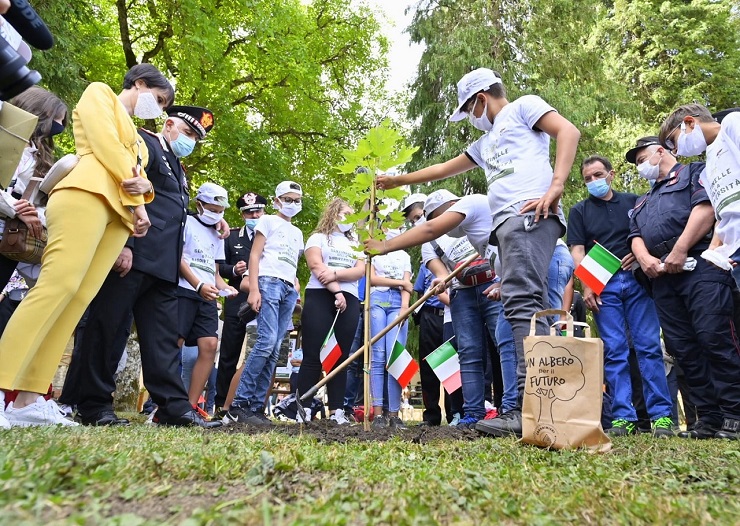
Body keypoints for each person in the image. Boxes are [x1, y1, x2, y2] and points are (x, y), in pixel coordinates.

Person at [377, 67, 580, 437]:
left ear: (481, 100)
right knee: (525, 308)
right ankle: (541, 408)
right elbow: (442, 168)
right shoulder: (485, 144)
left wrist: (556, 187)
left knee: (522, 307)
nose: (471, 119)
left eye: (469, 110)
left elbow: (568, 131)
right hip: (506, 229)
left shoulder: (523, 108)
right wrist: (399, 180)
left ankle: (523, 410)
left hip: (528, 214)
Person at [0, 64, 172, 427]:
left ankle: (29, 400)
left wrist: (145, 198)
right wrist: (140, 198)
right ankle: (2, 387)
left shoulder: (142, 140)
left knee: (76, 301)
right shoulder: (100, 94)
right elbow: (108, 147)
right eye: (157, 99)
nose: (156, 108)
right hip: (85, 194)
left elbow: (142, 179)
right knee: (56, 287)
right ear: (139, 83)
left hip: (119, 216)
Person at [62, 104, 222, 429]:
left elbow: (174, 211)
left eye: (195, 137)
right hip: (134, 255)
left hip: (163, 266)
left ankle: (173, 409)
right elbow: (125, 190)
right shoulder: (143, 145)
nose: (189, 140)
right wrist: (125, 244)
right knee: (108, 329)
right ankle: (93, 405)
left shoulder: (179, 166)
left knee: (162, 340)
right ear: (170, 124)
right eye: (188, 132)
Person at [626, 135, 740, 440]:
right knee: (683, 348)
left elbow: (706, 210)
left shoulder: (694, 173)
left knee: (714, 337)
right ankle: (709, 418)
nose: (640, 166)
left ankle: (734, 414)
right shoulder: (642, 200)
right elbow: (635, 234)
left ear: (660, 151)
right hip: (662, 278)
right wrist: (646, 259)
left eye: (641, 159)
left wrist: (679, 250)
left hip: (700, 265)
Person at [366, 189, 502, 428]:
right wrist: (444, 281)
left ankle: (505, 408)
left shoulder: (472, 212)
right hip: (451, 302)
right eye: (414, 219)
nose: (419, 221)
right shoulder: (430, 245)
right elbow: (437, 276)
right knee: (462, 356)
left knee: (499, 349)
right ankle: (466, 413)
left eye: (422, 216)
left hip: (489, 289)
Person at [567, 154, 674, 437]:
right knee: (615, 351)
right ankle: (623, 417)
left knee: (649, 347)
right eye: (588, 178)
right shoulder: (579, 211)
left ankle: (662, 416)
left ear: (611, 174)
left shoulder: (634, 201)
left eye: (598, 175)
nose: (593, 181)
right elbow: (576, 251)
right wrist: (586, 285)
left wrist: (639, 254)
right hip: (603, 286)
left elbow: (650, 235)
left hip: (639, 282)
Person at [227, 181, 304, 426]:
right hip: (268, 283)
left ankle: (257, 407)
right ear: (277, 200)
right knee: (265, 342)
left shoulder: (298, 233)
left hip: (288, 288)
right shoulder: (267, 220)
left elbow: (291, 263)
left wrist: (295, 287)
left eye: (297, 200)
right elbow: (255, 254)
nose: (292, 204)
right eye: (288, 199)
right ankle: (239, 404)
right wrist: (254, 289)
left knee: (276, 349)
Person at [296, 198, 364, 425]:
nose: (348, 218)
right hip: (319, 297)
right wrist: (336, 291)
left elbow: (360, 271)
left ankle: (337, 411)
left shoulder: (356, 243)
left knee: (341, 357)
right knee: (313, 354)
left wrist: (335, 275)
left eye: (351, 214)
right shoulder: (317, 238)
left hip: (351, 299)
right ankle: (303, 408)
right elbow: (316, 266)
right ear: (333, 213)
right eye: (345, 213)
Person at [177, 182, 239, 410]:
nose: (216, 214)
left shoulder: (217, 234)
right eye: (212, 209)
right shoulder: (186, 222)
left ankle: (190, 407)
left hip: (207, 297)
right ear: (199, 204)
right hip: (184, 289)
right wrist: (197, 284)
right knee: (175, 343)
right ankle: (163, 403)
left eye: (220, 211)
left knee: (210, 345)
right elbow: (178, 258)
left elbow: (213, 271)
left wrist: (225, 288)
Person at [0, 86, 67, 288]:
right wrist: (16, 208)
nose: (58, 126)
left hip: (9, 242)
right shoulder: (4, 138)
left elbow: (38, 203)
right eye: (55, 118)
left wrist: (37, 215)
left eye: (62, 122)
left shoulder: (41, 157)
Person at [214, 192, 267, 413]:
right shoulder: (231, 237)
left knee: (262, 353)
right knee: (229, 354)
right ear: (242, 214)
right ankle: (221, 404)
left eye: (257, 211)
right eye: (249, 212)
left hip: (265, 301)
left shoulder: (272, 235)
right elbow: (219, 266)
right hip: (237, 299)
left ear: (264, 211)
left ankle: (254, 405)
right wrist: (233, 270)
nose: (254, 214)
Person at [368, 228, 412, 429]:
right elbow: (373, 279)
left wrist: (405, 308)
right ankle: (377, 413)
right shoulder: (373, 251)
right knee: (378, 356)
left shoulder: (404, 255)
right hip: (377, 300)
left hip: (397, 303)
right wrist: (401, 282)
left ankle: (394, 414)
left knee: (395, 357)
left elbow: (408, 286)